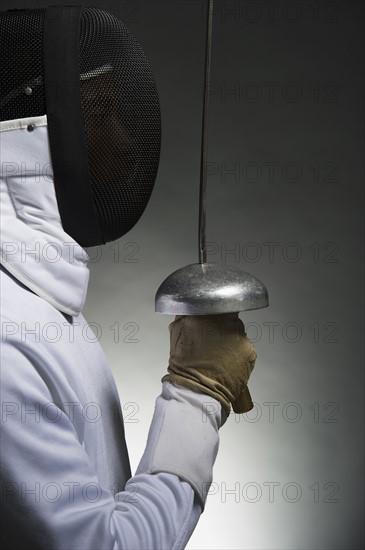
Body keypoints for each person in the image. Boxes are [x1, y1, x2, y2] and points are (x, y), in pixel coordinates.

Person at [0, 6, 257, 549]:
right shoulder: (6, 340)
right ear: (41, 130)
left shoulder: (36, 304)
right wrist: (196, 390)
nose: (127, 141)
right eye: (104, 116)